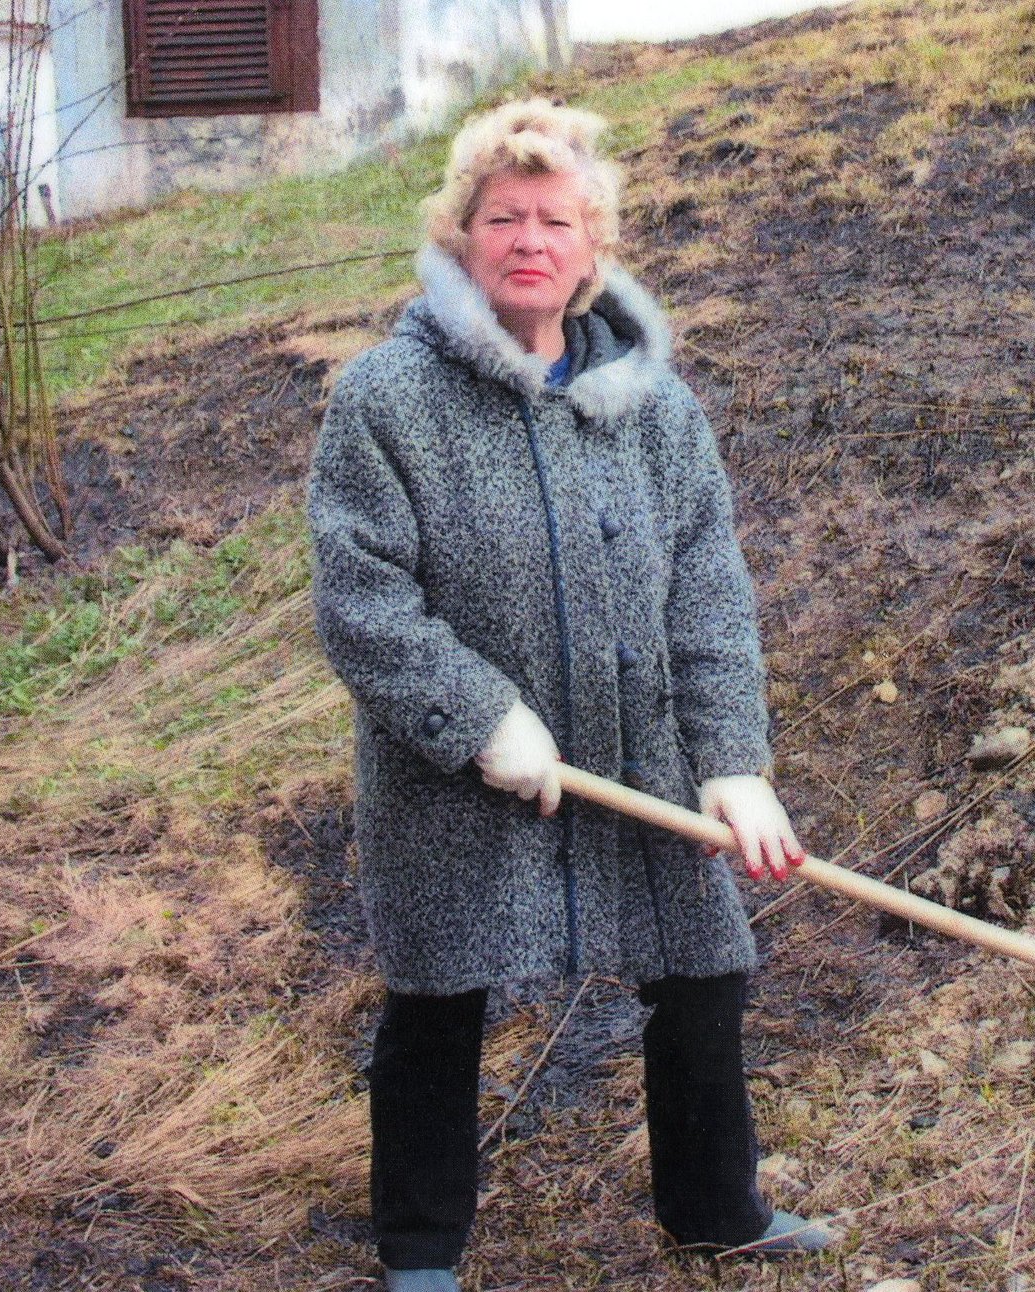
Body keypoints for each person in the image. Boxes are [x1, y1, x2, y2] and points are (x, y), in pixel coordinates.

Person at [305, 97, 842, 1292]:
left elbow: (707, 592)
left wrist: (733, 760)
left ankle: (716, 1209)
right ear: (461, 235)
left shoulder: (656, 406)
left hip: (636, 752)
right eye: (504, 217)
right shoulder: (386, 398)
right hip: (452, 778)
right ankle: (421, 1250)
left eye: (555, 219)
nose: (530, 240)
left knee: (702, 966)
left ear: (594, 243)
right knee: (437, 998)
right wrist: (478, 716)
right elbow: (361, 600)